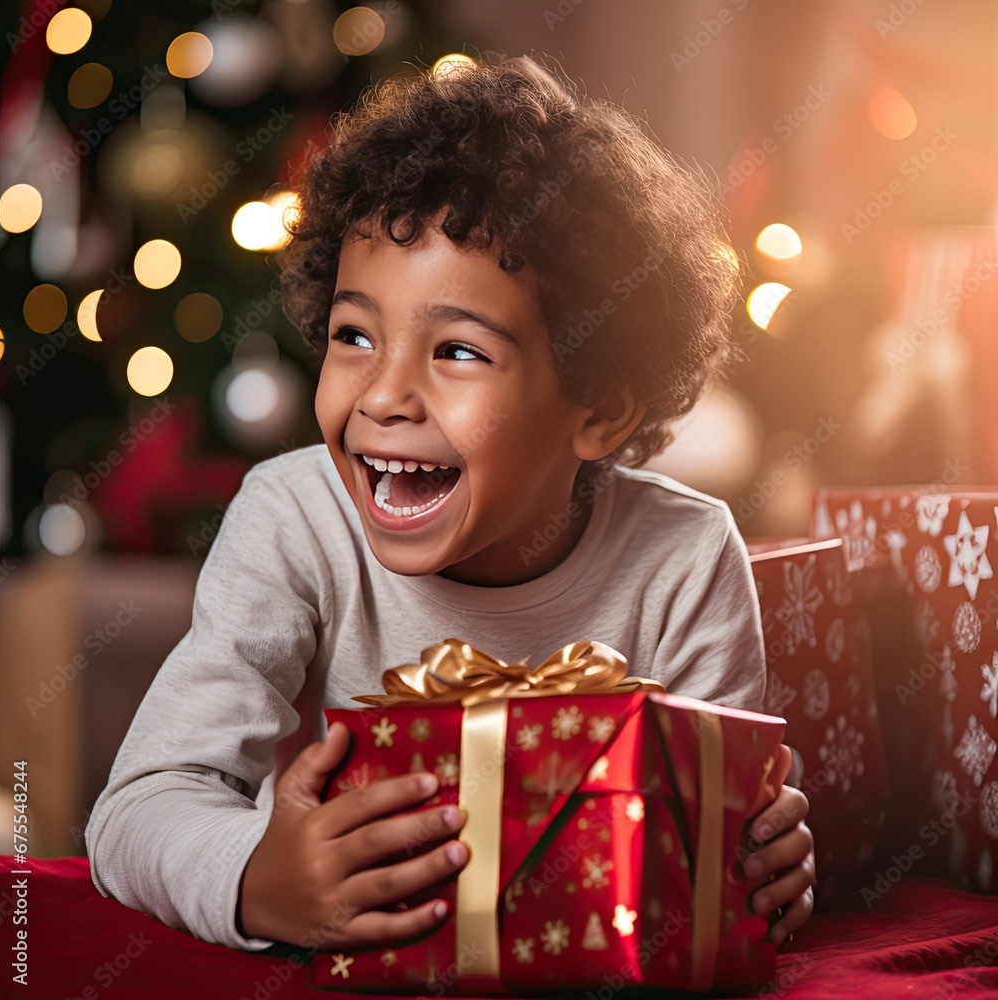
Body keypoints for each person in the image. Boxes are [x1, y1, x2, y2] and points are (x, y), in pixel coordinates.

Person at [87, 54, 814, 959]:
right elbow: (138, 807)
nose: (385, 393)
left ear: (600, 408)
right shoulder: (295, 518)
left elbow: (720, 826)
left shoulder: (687, 553)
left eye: (459, 352)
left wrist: (761, 848)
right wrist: (256, 875)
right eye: (355, 336)